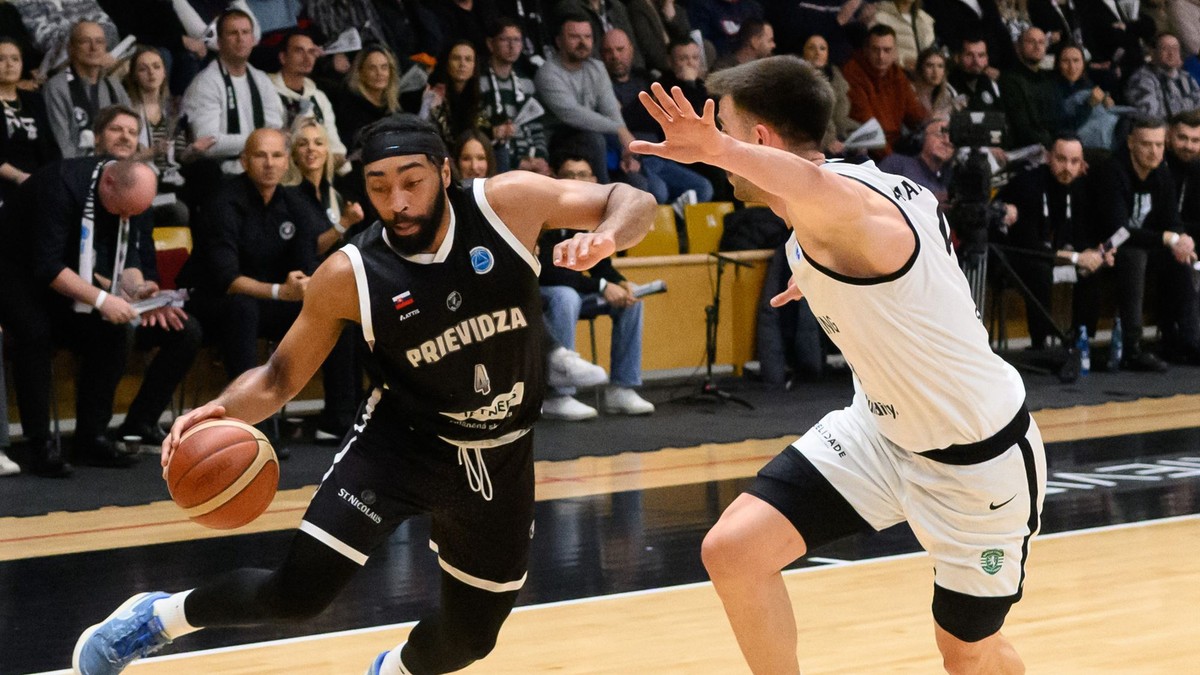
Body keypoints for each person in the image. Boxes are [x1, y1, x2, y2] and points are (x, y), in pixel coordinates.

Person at [71, 112, 655, 675]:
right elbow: (279, 377)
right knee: (298, 594)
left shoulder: (507, 204)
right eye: (379, 186)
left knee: (470, 639)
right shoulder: (349, 273)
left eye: (411, 183)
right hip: (399, 446)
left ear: (444, 173)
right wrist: (216, 412)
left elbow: (632, 200)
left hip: (500, 454)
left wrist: (605, 236)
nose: (397, 202)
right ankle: (155, 619)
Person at [631, 56, 1046, 673]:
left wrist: (713, 149)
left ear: (759, 141)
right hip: (881, 433)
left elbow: (825, 198)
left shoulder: (845, 203)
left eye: (729, 128)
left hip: (976, 461)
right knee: (734, 550)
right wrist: (827, 285)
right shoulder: (832, 212)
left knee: (966, 651)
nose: (719, 147)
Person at [0, 157, 160, 476]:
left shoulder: (117, 195)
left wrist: (136, 287)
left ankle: (92, 438)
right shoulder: (60, 187)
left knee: (112, 330)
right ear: (109, 183)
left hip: (63, 274)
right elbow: (47, 265)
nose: (126, 216)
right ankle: (39, 445)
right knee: (35, 334)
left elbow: (123, 252)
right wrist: (103, 299)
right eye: (124, 210)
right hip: (13, 271)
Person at [539, 154, 656, 420]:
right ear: (557, 178)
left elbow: (601, 265)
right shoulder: (545, 212)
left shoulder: (592, 216)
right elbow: (553, 270)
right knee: (566, 296)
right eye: (570, 175)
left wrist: (617, 282)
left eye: (583, 175)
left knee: (632, 295)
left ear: (594, 181)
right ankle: (559, 394)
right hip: (542, 294)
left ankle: (621, 389)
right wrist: (603, 285)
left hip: (578, 291)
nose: (577, 181)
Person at [1088, 117, 1199, 371]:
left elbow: (1172, 220)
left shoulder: (1161, 171)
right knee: (1134, 256)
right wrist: (1167, 238)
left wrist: (1181, 239)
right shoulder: (1112, 171)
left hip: (1145, 246)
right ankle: (1132, 348)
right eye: (1147, 144)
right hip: (1105, 249)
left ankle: (1187, 341)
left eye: (1159, 145)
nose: (1154, 151)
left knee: (1180, 258)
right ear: (1130, 143)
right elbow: (1118, 231)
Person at [995, 134, 1114, 349]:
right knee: (1039, 268)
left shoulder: (1080, 188)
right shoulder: (1028, 184)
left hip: (1054, 254)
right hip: (1014, 256)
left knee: (1093, 267)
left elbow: (1082, 235)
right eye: (1061, 159)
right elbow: (1028, 244)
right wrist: (1078, 257)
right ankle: (1041, 343)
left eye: (1074, 161)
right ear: (1048, 157)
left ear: (1082, 163)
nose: (1067, 167)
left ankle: (1081, 339)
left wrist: (1096, 252)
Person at [181, 8, 284, 175]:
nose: (240, 38)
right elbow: (208, 143)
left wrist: (263, 141)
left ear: (253, 39)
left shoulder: (262, 80)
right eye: (233, 33)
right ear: (219, 42)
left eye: (245, 32)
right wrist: (261, 140)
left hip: (265, 169)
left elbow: (276, 129)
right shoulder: (206, 83)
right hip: (224, 173)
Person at [42, 20, 132, 158]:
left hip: (115, 167)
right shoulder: (57, 87)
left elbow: (132, 129)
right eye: (85, 41)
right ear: (70, 48)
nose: (94, 47)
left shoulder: (113, 85)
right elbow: (62, 144)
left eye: (99, 41)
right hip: (76, 169)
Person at [842, 24, 929, 157]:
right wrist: (893, 162)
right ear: (866, 50)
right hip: (868, 149)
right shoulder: (853, 72)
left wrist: (932, 128)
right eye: (875, 50)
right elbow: (868, 127)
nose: (881, 56)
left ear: (895, 52)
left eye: (887, 50)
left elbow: (915, 115)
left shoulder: (896, 73)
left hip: (895, 146)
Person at [284, 115, 365, 255]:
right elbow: (309, 250)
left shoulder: (335, 194)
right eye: (303, 144)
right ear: (294, 154)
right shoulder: (286, 195)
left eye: (318, 143)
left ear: (327, 152)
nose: (311, 148)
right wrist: (344, 222)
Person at [269, 30, 347, 168]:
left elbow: (336, 148)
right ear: (283, 57)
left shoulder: (318, 97)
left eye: (311, 52)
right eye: (299, 51)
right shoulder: (268, 92)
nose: (307, 58)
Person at [480, 18, 549, 174]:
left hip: (529, 157)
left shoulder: (527, 83)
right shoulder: (479, 82)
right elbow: (479, 127)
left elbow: (536, 128)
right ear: (491, 44)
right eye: (505, 40)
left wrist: (541, 157)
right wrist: (517, 162)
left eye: (516, 40)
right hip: (496, 156)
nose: (512, 46)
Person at [0, 37, 59, 208]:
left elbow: (50, 145)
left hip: (39, 182)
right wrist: (19, 177)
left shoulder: (33, 100)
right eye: (1, 59)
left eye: (15, 59)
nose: (9, 64)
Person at [1124, 33, 1200, 123]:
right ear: (1153, 53)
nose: (1171, 53)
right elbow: (1150, 117)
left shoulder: (1187, 77)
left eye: (1175, 48)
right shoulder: (1141, 79)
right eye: (1165, 48)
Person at [912, 48, 961, 119]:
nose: (935, 71)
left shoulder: (948, 92)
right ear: (920, 68)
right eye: (929, 65)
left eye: (940, 66)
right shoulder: (910, 91)